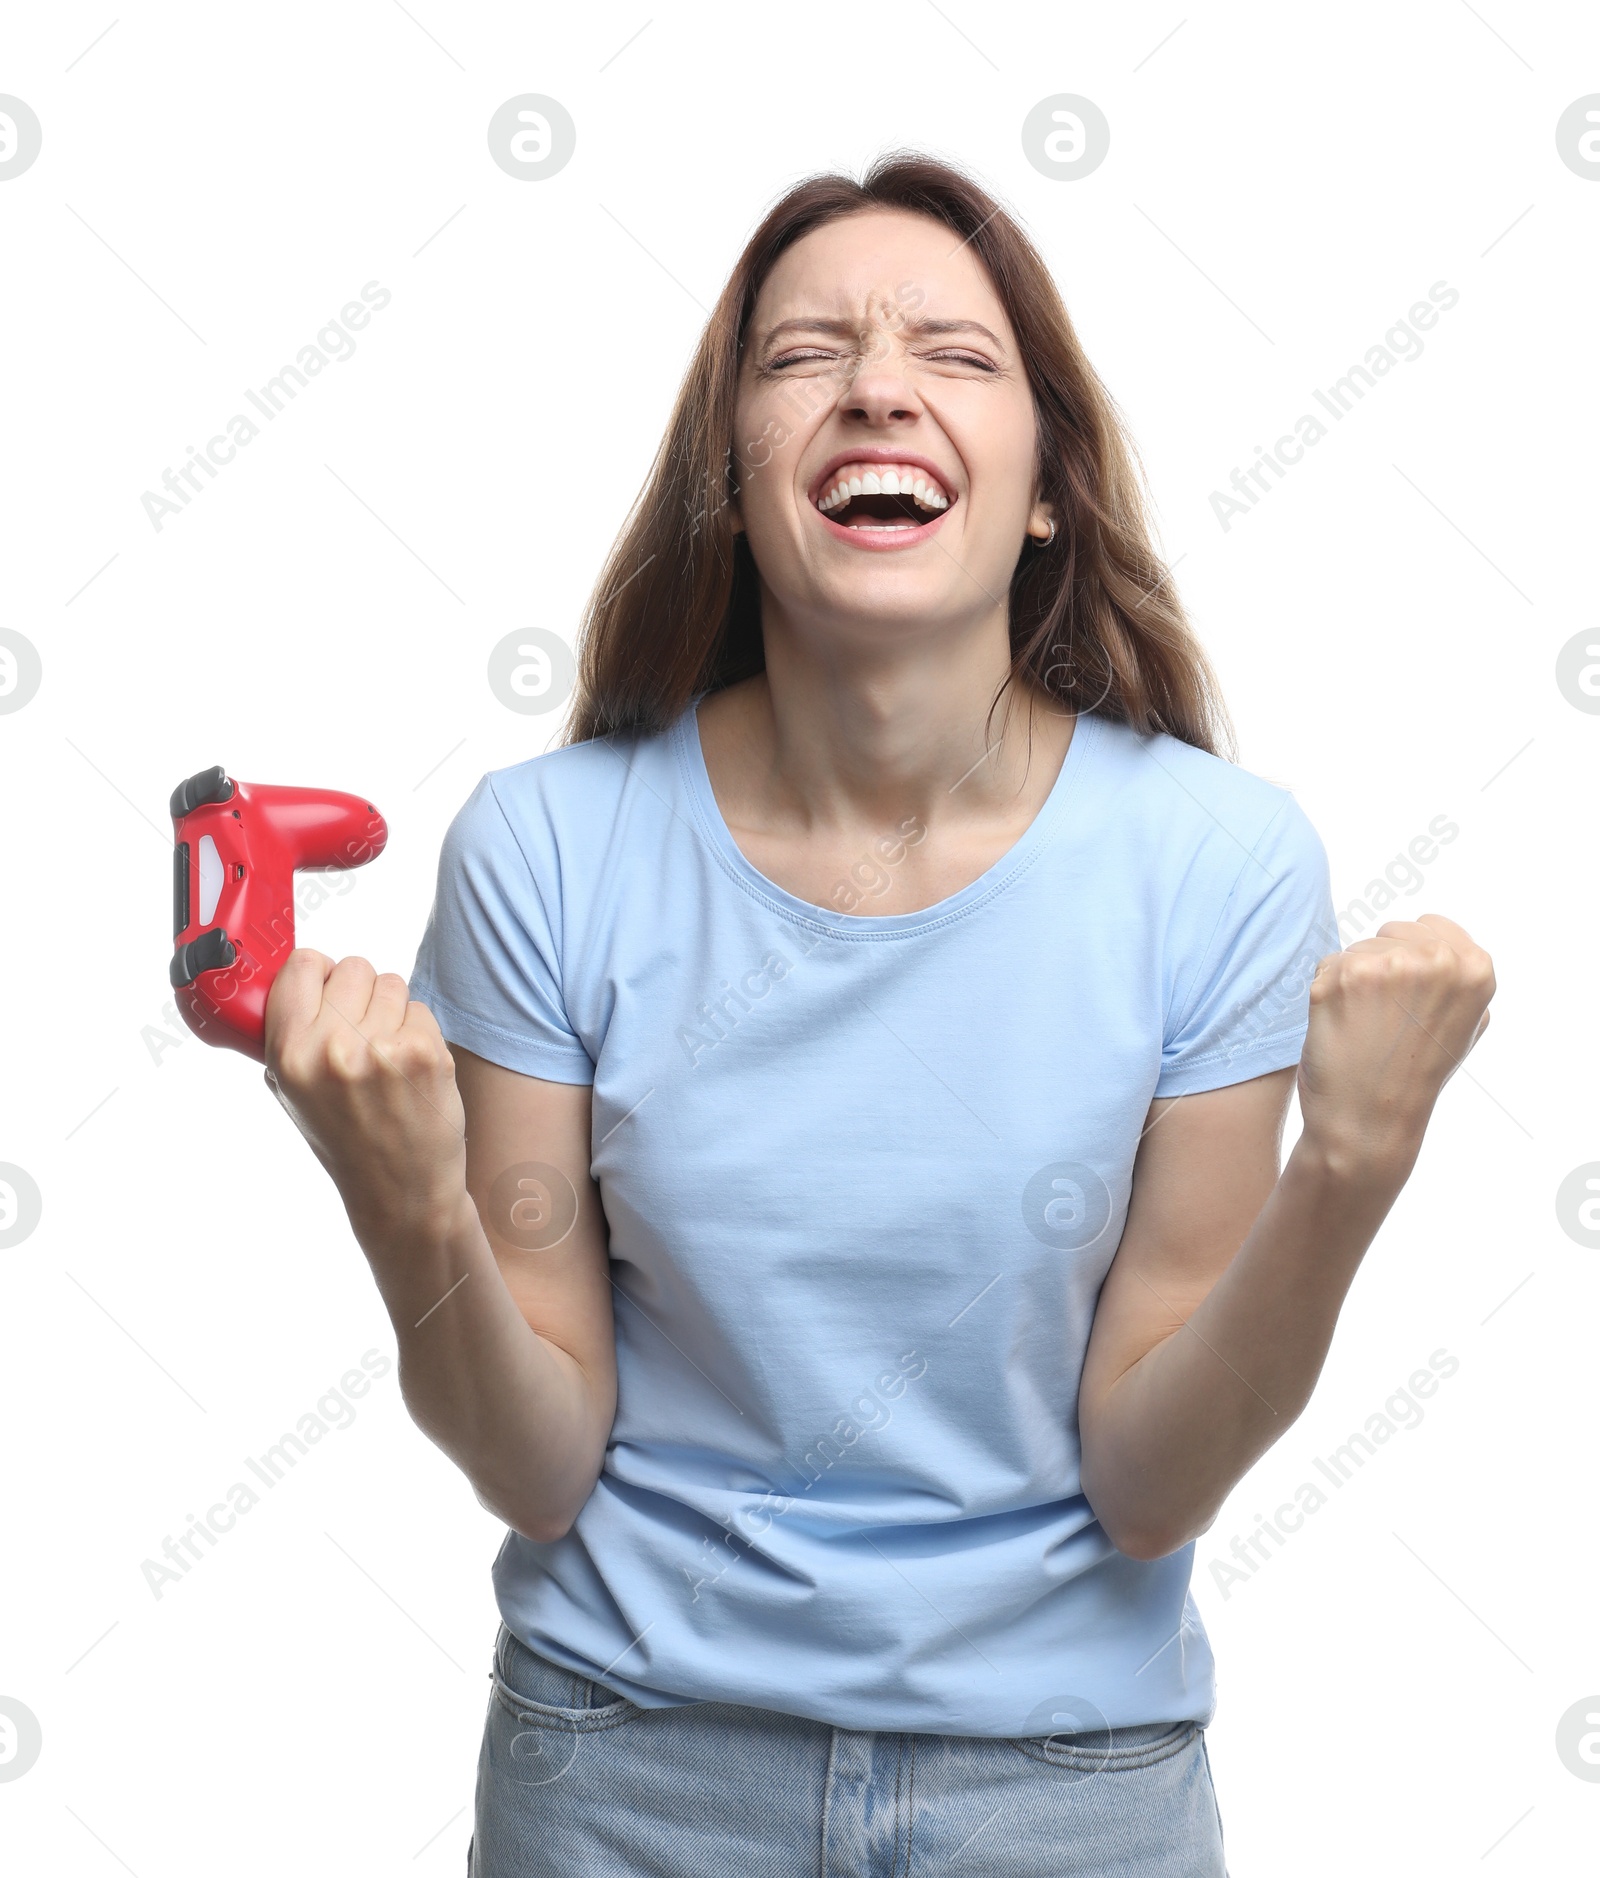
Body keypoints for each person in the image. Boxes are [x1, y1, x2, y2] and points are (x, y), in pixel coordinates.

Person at [261, 153, 1495, 1876]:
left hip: (1069, 1787)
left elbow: (1149, 1479)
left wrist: (1347, 1177)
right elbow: (539, 1464)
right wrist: (404, 1204)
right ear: (736, 477)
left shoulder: (1216, 861)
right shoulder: (550, 848)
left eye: (956, 355)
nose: (879, 385)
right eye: (803, 354)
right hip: (626, 1776)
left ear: (1048, 485)